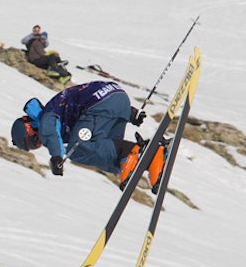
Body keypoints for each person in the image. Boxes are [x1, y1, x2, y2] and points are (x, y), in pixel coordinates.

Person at [9, 81, 166, 188]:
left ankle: (136, 154)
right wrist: (130, 113)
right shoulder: (56, 116)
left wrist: (56, 156)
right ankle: (151, 159)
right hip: (116, 98)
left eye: (32, 140)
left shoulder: (46, 117)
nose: (39, 143)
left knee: (78, 149)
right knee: (105, 150)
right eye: (34, 146)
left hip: (99, 103)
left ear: (29, 126)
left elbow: (50, 135)